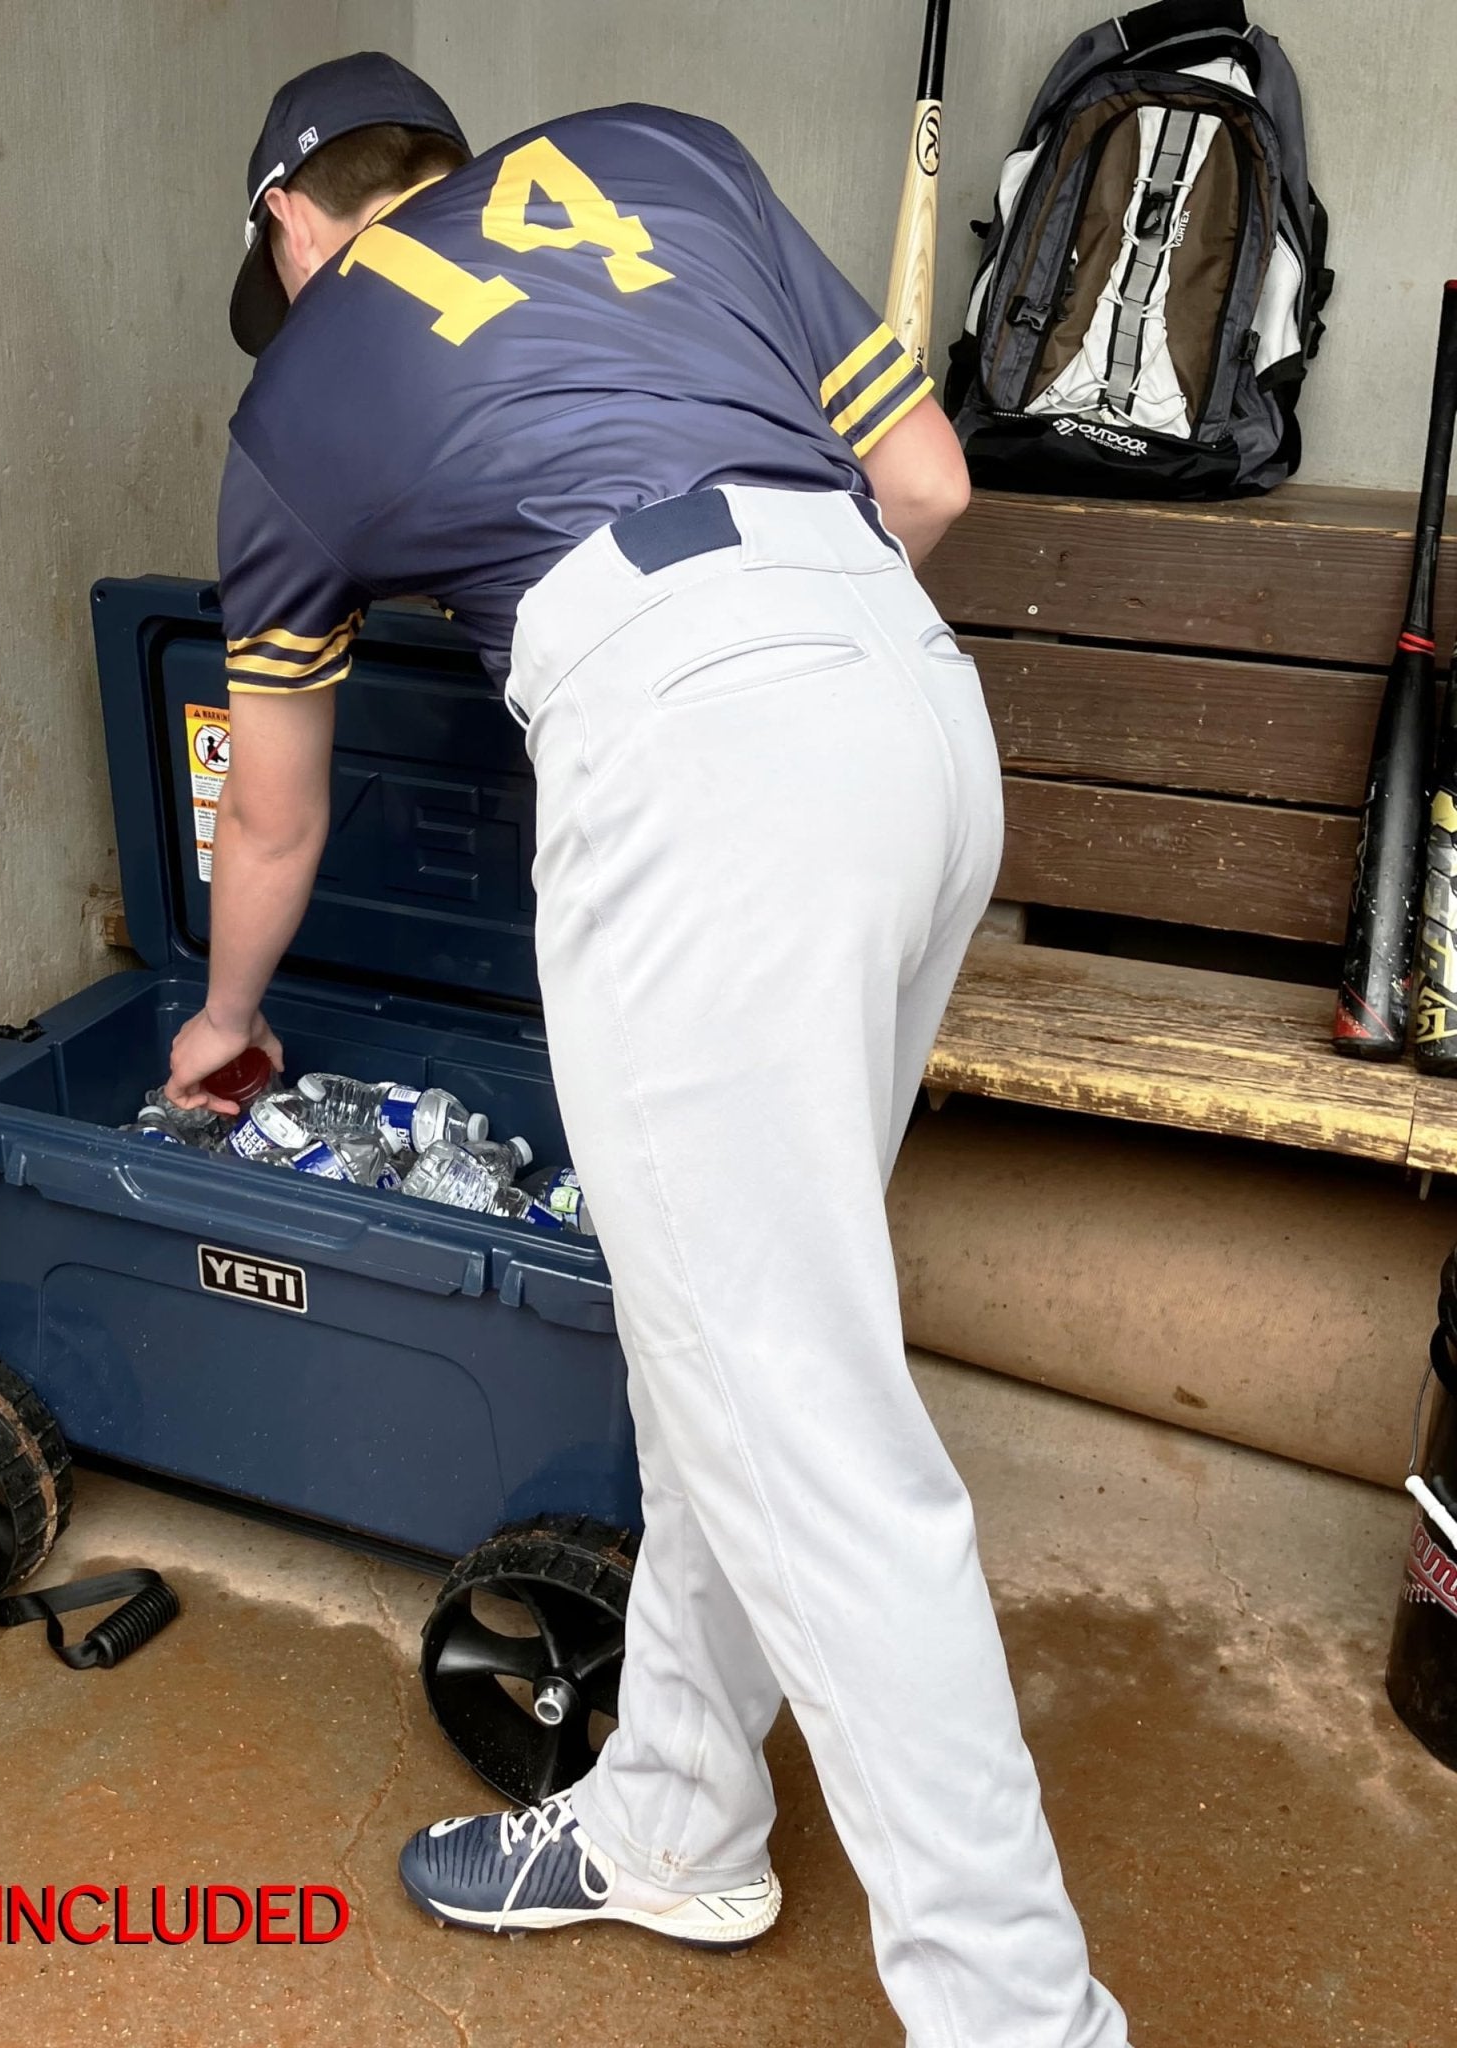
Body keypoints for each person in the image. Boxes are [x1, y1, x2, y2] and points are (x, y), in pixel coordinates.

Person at [162, 50, 1129, 2048]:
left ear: (289, 221)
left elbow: (268, 817)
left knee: (808, 1433)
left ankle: (1025, 2020)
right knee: (725, 1355)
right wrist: (801, 676)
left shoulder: (294, 398)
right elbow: (928, 485)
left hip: (704, 758)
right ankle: (679, 1815)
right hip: (912, 711)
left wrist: (226, 1020)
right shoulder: (653, 153)